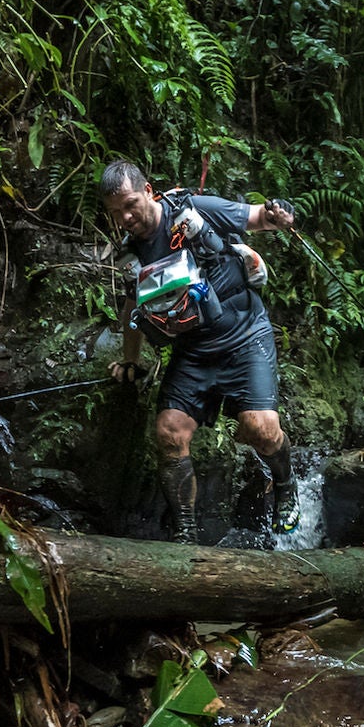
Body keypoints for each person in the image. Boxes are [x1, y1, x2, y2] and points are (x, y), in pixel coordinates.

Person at [100, 159, 300, 543]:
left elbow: (258, 217)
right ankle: (186, 533)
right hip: (193, 351)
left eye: (130, 205)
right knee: (169, 431)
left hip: (244, 334)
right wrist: (131, 361)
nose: (125, 217)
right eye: (115, 212)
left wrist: (280, 213)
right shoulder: (131, 254)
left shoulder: (192, 210)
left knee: (261, 429)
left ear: (147, 191)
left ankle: (285, 483)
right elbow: (131, 310)